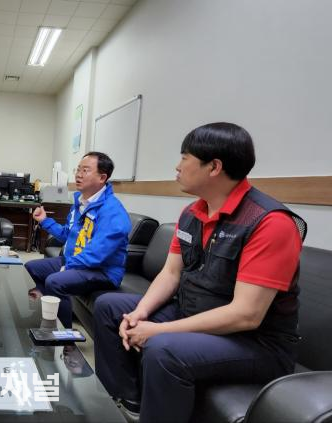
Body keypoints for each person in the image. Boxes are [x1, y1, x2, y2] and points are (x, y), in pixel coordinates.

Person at [93, 122, 307, 423]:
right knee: (110, 307)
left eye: (185, 158)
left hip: (254, 342)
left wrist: (158, 330)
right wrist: (140, 313)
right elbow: (170, 274)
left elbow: (246, 315)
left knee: (163, 348)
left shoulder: (271, 223)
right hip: (192, 311)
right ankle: (127, 403)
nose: (177, 166)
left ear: (214, 167)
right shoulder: (192, 213)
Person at [26, 151, 131, 328]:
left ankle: (64, 337)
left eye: (85, 170)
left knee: (55, 281)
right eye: (78, 169)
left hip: (102, 270)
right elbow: (67, 234)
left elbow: (97, 254)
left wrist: (67, 267)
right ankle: (45, 316)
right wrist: (45, 220)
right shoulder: (80, 203)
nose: (78, 174)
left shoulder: (113, 212)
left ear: (102, 178)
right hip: (76, 260)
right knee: (30, 268)